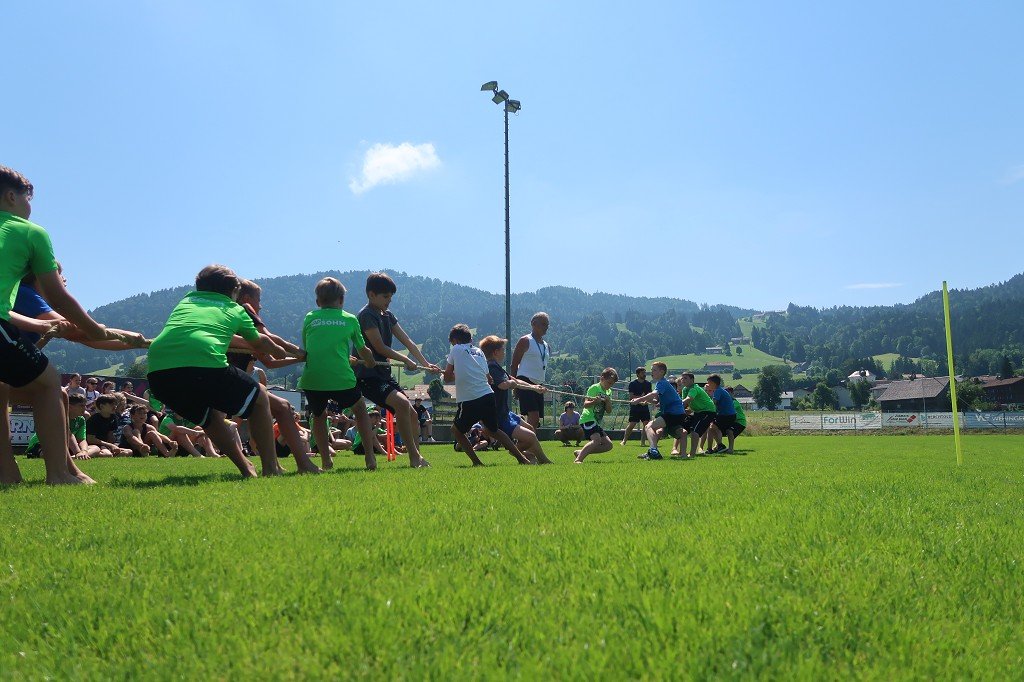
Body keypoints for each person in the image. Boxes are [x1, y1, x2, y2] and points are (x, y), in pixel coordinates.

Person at [0, 165, 145, 484]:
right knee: (48, 383)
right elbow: (71, 317)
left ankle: (15, 475)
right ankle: (58, 474)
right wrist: (118, 335)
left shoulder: (13, 288)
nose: (28, 207)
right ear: (11, 196)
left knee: (35, 388)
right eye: (27, 199)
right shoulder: (28, 235)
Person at [146, 264, 316, 477]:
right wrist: (278, 350)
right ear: (235, 291)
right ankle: (271, 468)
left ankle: (247, 469)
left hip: (158, 374)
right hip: (203, 365)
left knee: (210, 419)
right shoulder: (235, 309)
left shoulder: (186, 302)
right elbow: (260, 341)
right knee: (260, 396)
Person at [355, 272, 440, 468]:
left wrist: (425, 363)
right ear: (371, 295)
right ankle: (414, 458)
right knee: (402, 404)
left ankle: (417, 457)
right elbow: (379, 347)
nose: (389, 301)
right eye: (385, 296)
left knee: (412, 414)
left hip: (383, 375)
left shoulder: (387, 315)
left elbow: (408, 341)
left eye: (391, 297)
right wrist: (405, 359)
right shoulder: (367, 315)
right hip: (368, 376)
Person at [298, 277, 379, 471]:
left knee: (319, 416)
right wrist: (370, 363)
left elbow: (309, 347)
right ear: (341, 300)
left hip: (313, 378)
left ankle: (326, 460)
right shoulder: (349, 319)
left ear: (318, 301)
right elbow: (363, 350)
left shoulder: (310, 317)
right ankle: (370, 456)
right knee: (360, 409)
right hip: (341, 378)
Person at [443, 324, 531, 466]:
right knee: (494, 431)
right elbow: (489, 379)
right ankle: (522, 459)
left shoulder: (456, 349)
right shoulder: (479, 352)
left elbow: (447, 378)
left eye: (452, 343)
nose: (453, 345)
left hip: (470, 399)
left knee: (456, 430)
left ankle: (477, 462)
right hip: (488, 396)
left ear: (456, 340)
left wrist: (446, 373)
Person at [480, 335, 552, 464]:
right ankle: (525, 454)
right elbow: (502, 385)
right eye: (502, 349)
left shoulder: (496, 367)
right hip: (498, 416)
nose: (504, 352)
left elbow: (515, 380)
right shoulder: (491, 367)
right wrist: (511, 384)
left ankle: (538, 458)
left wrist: (534, 387)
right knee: (530, 437)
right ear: (496, 352)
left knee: (530, 429)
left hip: (505, 412)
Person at [630, 362, 687, 461]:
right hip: (678, 414)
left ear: (662, 372)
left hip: (672, 413)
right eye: (651, 370)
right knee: (681, 432)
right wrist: (646, 401)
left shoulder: (662, 383)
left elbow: (653, 394)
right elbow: (656, 400)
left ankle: (653, 451)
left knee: (649, 426)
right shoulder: (661, 383)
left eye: (654, 370)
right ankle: (683, 455)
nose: (651, 372)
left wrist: (638, 399)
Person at [509, 312, 550, 429]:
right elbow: (514, 364)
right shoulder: (525, 340)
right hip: (525, 381)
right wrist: (515, 386)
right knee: (534, 417)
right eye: (543, 324)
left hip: (539, 384)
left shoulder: (546, 345)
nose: (546, 327)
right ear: (533, 324)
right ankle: (528, 440)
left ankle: (525, 438)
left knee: (535, 421)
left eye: (547, 325)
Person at [573, 368, 618, 463]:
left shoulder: (608, 392)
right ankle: (578, 460)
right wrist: (594, 401)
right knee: (596, 440)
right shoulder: (594, 388)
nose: (610, 386)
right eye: (609, 383)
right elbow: (585, 404)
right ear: (602, 378)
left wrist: (608, 402)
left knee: (608, 445)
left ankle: (581, 452)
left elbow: (608, 411)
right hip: (588, 419)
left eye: (612, 384)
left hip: (596, 422)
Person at [677, 372, 718, 459]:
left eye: (685, 378)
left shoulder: (694, 388)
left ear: (692, 380)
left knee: (694, 431)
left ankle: (692, 454)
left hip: (708, 412)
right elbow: (684, 405)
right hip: (697, 412)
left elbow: (688, 399)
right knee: (682, 428)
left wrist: (674, 406)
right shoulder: (685, 389)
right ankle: (682, 452)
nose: (683, 380)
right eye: (682, 378)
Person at [705, 374, 737, 454]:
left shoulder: (717, 391)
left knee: (712, 427)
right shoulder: (720, 390)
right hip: (730, 415)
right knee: (727, 430)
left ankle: (719, 445)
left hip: (726, 415)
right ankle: (723, 448)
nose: (707, 384)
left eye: (708, 383)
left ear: (713, 383)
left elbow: (713, 403)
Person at [621, 367, 652, 446]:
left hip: (644, 407)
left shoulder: (648, 384)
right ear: (638, 374)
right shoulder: (633, 384)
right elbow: (631, 396)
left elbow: (649, 396)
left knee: (646, 425)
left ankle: (643, 442)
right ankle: (624, 441)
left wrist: (645, 401)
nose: (644, 374)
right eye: (642, 373)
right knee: (632, 424)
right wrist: (641, 399)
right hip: (635, 407)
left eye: (645, 373)